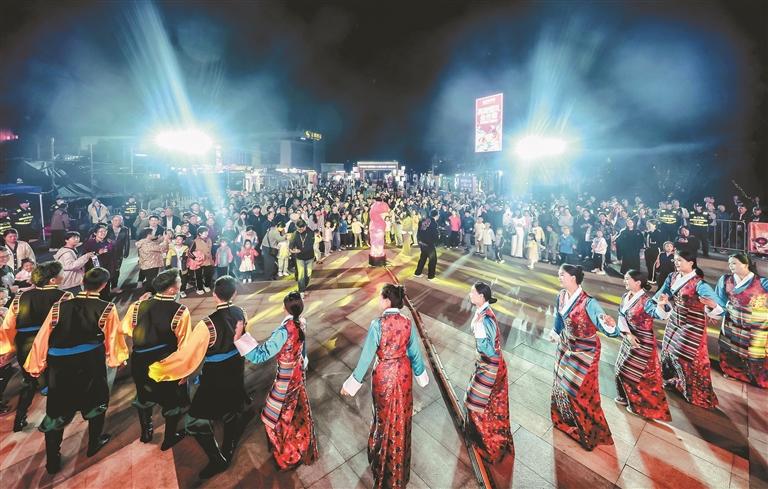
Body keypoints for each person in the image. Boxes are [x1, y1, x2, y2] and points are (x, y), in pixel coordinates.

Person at [24, 267, 128, 474]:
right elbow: (113, 338)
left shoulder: (59, 307)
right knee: (95, 402)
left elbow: (43, 337)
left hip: (59, 365)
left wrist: (36, 365)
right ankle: (94, 444)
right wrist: (117, 359)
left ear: (82, 283)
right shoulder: (106, 308)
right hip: (90, 362)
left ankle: (52, 460)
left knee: (56, 409)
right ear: (104, 285)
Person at [148, 276, 251, 478]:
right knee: (231, 407)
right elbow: (243, 340)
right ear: (234, 294)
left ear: (214, 295)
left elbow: (190, 355)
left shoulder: (207, 324)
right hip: (236, 366)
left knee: (194, 421)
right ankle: (228, 445)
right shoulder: (241, 313)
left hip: (215, 374)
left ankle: (218, 460)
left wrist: (166, 369)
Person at [341, 284, 429, 487]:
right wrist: (421, 376)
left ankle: (383, 464)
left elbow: (366, 358)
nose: (378, 300)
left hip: (384, 376)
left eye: (380, 297)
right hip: (404, 374)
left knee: (383, 419)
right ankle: (400, 468)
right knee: (401, 419)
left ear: (388, 300)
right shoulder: (407, 323)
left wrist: (351, 384)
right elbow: (415, 353)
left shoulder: (377, 325)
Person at [234, 291, 318, 470]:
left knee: (273, 416)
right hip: (297, 374)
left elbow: (259, 355)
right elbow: (301, 348)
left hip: (285, 379)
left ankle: (288, 453)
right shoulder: (301, 322)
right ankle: (301, 442)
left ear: (284, 308)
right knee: (295, 410)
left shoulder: (283, 332)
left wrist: (240, 336)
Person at [548, 264, 618, 450]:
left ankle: (590, 432)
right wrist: (556, 332)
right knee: (560, 385)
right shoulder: (561, 296)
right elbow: (559, 318)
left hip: (586, 350)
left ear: (573, 278)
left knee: (580, 391)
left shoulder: (589, 303)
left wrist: (611, 325)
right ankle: (567, 422)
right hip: (566, 345)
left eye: (562, 275)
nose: (559, 277)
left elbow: (604, 325)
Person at [122, 269, 192, 451]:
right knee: (171, 400)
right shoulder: (180, 311)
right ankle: (169, 438)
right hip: (166, 362)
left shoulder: (137, 306)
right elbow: (184, 345)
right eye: (179, 281)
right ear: (172, 290)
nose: (181, 283)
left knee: (143, 396)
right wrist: (185, 371)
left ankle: (146, 433)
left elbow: (127, 329)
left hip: (140, 360)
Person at [0, 261, 75, 431]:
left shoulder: (20, 297)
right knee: (57, 381)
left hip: (24, 344)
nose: (63, 276)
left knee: (29, 382)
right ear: (53, 280)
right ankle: (55, 418)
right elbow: (69, 325)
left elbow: (8, 327)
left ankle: (19, 420)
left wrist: (7, 350)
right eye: (61, 274)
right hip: (52, 344)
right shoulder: (65, 296)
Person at [646, 249, 724, 409]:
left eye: (680, 260)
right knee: (668, 351)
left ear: (691, 263)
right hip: (675, 319)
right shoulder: (672, 277)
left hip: (693, 324)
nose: (676, 263)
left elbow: (720, 306)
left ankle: (697, 394)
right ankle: (673, 381)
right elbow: (662, 294)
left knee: (687, 357)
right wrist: (655, 303)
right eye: (675, 260)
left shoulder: (699, 284)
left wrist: (712, 306)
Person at [465, 282, 514, 463]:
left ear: (481, 296)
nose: (470, 294)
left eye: (472, 292)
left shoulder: (486, 318)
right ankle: (492, 438)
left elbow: (489, 349)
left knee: (475, 403)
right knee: (491, 403)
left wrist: (479, 331)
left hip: (491, 367)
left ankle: (490, 446)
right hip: (487, 365)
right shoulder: (482, 312)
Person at [614, 270, 671, 420]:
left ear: (638, 282)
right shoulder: (625, 296)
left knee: (636, 374)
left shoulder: (646, 301)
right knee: (620, 368)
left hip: (642, 342)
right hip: (629, 338)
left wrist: (662, 305)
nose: (624, 281)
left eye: (627, 279)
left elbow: (658, 314)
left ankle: (641, 407)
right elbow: (621, 315)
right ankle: (625, 397)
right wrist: (628, 334)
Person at [707, 253, 768, 388]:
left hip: (756, 325)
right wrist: (714, 311)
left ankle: (757, 378)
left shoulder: (762, 282)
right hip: (732, 321)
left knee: (755, 352)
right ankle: (732, 372)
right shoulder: (725, 280)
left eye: (734, 263)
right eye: (729, 263)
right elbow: (719, 300)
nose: (731, 266)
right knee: (730, 348)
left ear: (746, 264)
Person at [136, 228, 169, 293]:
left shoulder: (144, 242)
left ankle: (150, 293)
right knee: (151, 282)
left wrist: (161, 239)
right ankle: (149, 294)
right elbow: (162, 248)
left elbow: (155, 243)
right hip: (151, 265)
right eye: (153, 233)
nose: (154, 235)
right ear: (148, 235)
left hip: (148, 265)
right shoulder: (147, 244)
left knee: (151, 280)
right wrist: (165, 240)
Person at [106, 215, 131, 293]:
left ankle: (114, 286)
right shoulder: (107, 228)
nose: (117, 222)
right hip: (107, 253)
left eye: (119, 220)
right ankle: (106, 287)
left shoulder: (125, 229)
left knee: (117, 270)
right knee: (107, 270)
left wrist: (126, 251)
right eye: (115, 220)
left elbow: (127, 241)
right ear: (112, 221)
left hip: (119, 253)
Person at [289, 220, 314, 298]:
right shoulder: (295, 233)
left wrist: (300, 250)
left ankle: (304, 286)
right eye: (297, 229)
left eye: (300, 229)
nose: (299, 231)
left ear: (304, 227)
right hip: (300, 258)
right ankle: (301, 291)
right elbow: (291, 244)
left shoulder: (310, 233)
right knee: (301, 274)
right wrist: (292, 249)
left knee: (308, 274)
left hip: (309, 257)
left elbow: (310, 246)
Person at [414, 210, 439, 280]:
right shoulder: (433, 223)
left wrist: (419, 241)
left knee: (423, 257)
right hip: (429, 244)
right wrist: (436, 240)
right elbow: (435, 234)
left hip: (422, 242)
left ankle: (417, 272)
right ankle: (431, 276)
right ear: (436, 215)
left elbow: (419, 231)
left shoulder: (423, 220)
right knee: (433, 260)